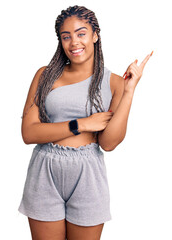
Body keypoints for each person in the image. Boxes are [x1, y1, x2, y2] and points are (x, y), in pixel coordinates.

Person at [18, 5, 153, 240]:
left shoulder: (113, 83)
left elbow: (109, 143)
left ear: (95, 35)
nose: (74, 43)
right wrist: (81, 124)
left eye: (81, 34)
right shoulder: (45, 75)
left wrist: (129, 91)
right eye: (66, 36)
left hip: (88, 173)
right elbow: (29, 133)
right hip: (44, 169)